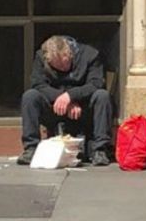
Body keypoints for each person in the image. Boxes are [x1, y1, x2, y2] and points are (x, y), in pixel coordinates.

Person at [18, 35, 113, 167]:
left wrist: (71, 96)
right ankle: (31, 148)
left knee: (102, 96)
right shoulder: (41, 57)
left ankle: (100, 150)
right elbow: (38, 84)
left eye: (65, 64)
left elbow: (96, 83)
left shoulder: (90, 55)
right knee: (30, 96)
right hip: (54, 106)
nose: (63, 68)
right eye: (57, 67)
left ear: (70, 53)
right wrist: (61, 97)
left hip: (83, 106)